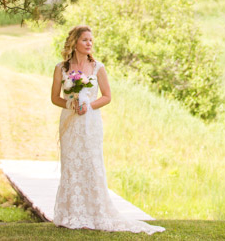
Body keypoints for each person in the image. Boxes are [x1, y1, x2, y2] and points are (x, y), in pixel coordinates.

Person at [50, 25, 165, 233]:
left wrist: (88, 106)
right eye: (85, 40)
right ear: (75, 42)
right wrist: (70, 104)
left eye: (91, 40)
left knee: (91, 164)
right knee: (71, 164)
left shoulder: (98, 68)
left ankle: (95, 212)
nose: (89, 43)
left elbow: (107, 96)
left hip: (90, 122)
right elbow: (55, 98)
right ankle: (71, 214)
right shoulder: (61, 68)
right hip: (69, 122)